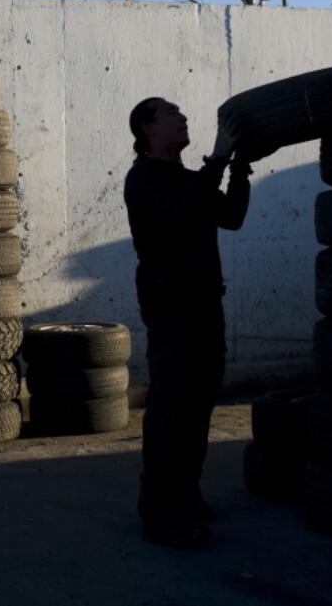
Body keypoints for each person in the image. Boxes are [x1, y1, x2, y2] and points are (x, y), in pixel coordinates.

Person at [123, 96, 270, 548]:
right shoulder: (143, 178)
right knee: (172, 412)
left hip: (206, 305)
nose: (184, 117)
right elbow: (180, 211)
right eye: (172, 113)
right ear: (148, 129)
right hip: (172, 308)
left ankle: (185, 495)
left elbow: (230, 217)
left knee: (199, 406)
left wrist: (240, 168)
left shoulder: (191, 178)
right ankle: (159, 514)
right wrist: (220, 158)